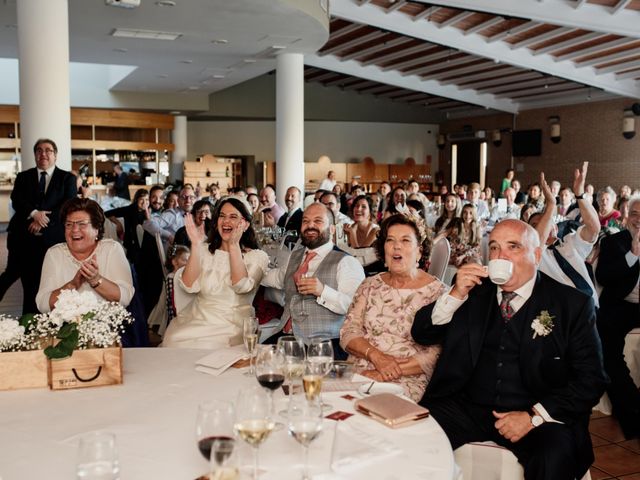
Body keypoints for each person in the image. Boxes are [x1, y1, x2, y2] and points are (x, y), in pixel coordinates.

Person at [411, 219, 607, 480]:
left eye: (512, 247)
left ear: (536, 255)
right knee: (413, 437)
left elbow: (592, 379)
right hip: (467, 407)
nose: (499, 256)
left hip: (535, 412)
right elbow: (422, 334)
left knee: (554, 457)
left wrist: (533, 417)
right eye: (493, 248)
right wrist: (455, 295)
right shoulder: (472, 294)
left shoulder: (571, 305)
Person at [340, 215, 446, 402]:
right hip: (360, 369)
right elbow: (348, 331)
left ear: (420, 252)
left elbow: (437, 352)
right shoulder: (370, 284)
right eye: (390, 240)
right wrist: (377, 358)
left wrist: (384, 373)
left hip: (407, 378)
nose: (397, 246)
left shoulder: (438, 293)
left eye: (405, 240)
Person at [162, 196, 269, 349]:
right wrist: (196, 245)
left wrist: (233, 245)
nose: (226, 221)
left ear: (245, 224)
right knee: (173, 339)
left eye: (233, 217)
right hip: (198, 318)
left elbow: (241, 286)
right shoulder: (206, 250)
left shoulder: (257, 257)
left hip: (231, 324)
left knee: (208, 346)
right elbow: (188, 284)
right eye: (222, 216)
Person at [261, 203, 365, 358]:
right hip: (286, 337)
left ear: (332, 229)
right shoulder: (294, 256)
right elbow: (276, 278)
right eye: (305, 221)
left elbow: (354, 307)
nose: (310, 226)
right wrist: (248, 266)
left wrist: (323, 291)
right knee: (254, 362)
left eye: (318, 221)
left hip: (324, 345)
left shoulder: (346, 262)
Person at [5, 138, 77, 313]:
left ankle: (51, 329)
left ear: (55, 155)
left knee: (52, 285)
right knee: (29, 287)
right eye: (39, 150)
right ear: (35, 155)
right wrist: (34, 214)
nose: (43, 154)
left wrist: (43, 221)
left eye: (48, 150)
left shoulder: (67, 178)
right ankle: (29, 329)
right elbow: (17, 201)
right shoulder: (23, 177)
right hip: (24, 240)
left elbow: (68, 205)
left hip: (52, 240)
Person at [36, 198, 134, 311]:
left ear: (96, 228)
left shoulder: (111, 249)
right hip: (66, 327)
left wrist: (96, 280)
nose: (74, 230)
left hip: (105, 326)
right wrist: (72, 286)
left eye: (82, 224)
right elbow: (43, 305)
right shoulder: (54, 254)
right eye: (69, 224)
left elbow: (125, 297)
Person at [595, 194, 640, 439]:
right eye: (634, 214)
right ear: (625, 217)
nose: (639, 220)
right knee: (607, 354)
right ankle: (633, 413)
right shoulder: (615, 242)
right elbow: (604, 276)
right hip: (620, 306)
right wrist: (632, 254)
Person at [528, 164, 600, 308]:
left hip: (592, 308)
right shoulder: (534, 255)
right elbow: (536, 241)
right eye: (535, 226)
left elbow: (594, 229)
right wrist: (551, 205)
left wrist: (579, 195)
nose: (541, 227)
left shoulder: (570, 242)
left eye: (545, 222)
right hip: (565, 314)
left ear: (554, 226)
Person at [105, 188, 149, 263]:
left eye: (147, 199)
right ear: (136, 200)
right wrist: (117, 223)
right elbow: (107, 213)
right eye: (141, 199)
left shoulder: (145, 211)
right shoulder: (130, 209)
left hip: (141, 246)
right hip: (132, 247)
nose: (144, 202)